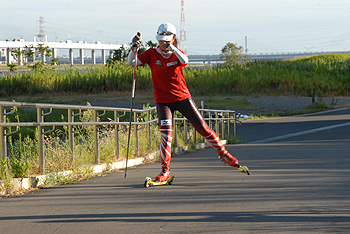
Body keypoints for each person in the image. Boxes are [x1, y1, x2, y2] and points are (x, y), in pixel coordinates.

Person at [127, 23, 249, 182]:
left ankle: (224, 154)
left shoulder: (177, 54)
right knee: (166, 135)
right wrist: (133, 49)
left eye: (166, 40)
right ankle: (165, 172)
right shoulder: (151, 54)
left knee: (203, 128)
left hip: (183, 98)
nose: (162, 43)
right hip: (163, 102)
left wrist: (173, 49)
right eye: (160, 40)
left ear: (172, 38)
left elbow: (185, 60)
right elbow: (132, 62)